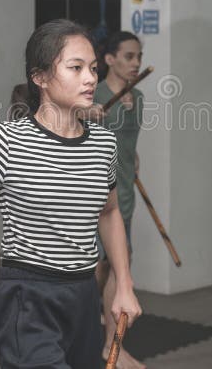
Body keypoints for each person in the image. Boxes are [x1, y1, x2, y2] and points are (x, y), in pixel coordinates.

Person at [0, 19, 142, 368]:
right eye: (76, 68)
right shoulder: (4, 141)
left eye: (94, 68)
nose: (90, 78)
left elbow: (109, 212)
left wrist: (124, 283)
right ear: (39, 78)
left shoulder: (103, 143)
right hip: (29, 297)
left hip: (84, 295)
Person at [91, 31, 145, 368]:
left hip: (122, 192)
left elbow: (129, 147)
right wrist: (85, 116)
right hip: (92, 194)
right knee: (95, 268)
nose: (136, 63)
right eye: (128, 56)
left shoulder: (136, 97)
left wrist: (133, 162)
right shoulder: (92, 95)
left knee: (115, 267)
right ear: (109, 59)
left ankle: (111, 344)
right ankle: (100, 340)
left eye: (138, 56)